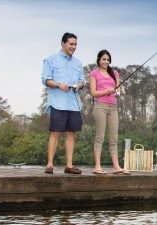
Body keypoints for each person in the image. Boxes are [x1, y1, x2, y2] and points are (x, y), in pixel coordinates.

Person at [41, 32, 85, 174]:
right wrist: (59, 85)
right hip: (57, 103)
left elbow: (82, 81)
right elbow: (45, 80)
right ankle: (49, 164)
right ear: (63, 43)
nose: (74, 47)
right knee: (55, 133)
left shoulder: (78, 63)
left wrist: (78, 85)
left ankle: (69, 165)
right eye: (71, 44)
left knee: (71, 133)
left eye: (75, 44)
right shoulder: (51, 60)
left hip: (73, 103)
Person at [89, 50, 130, 175]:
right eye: (103, 59)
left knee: (114, 138)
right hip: (100, 107)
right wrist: (106, 91)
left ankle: (116, 167)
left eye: (108, 59)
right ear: (99, 60)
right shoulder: (93, 74)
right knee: (100, 137)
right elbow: (93, 93)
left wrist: (120, 91)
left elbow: (117, 89)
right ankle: (97, 166)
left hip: (113, 107)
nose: (106, 61)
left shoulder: (114, 73)